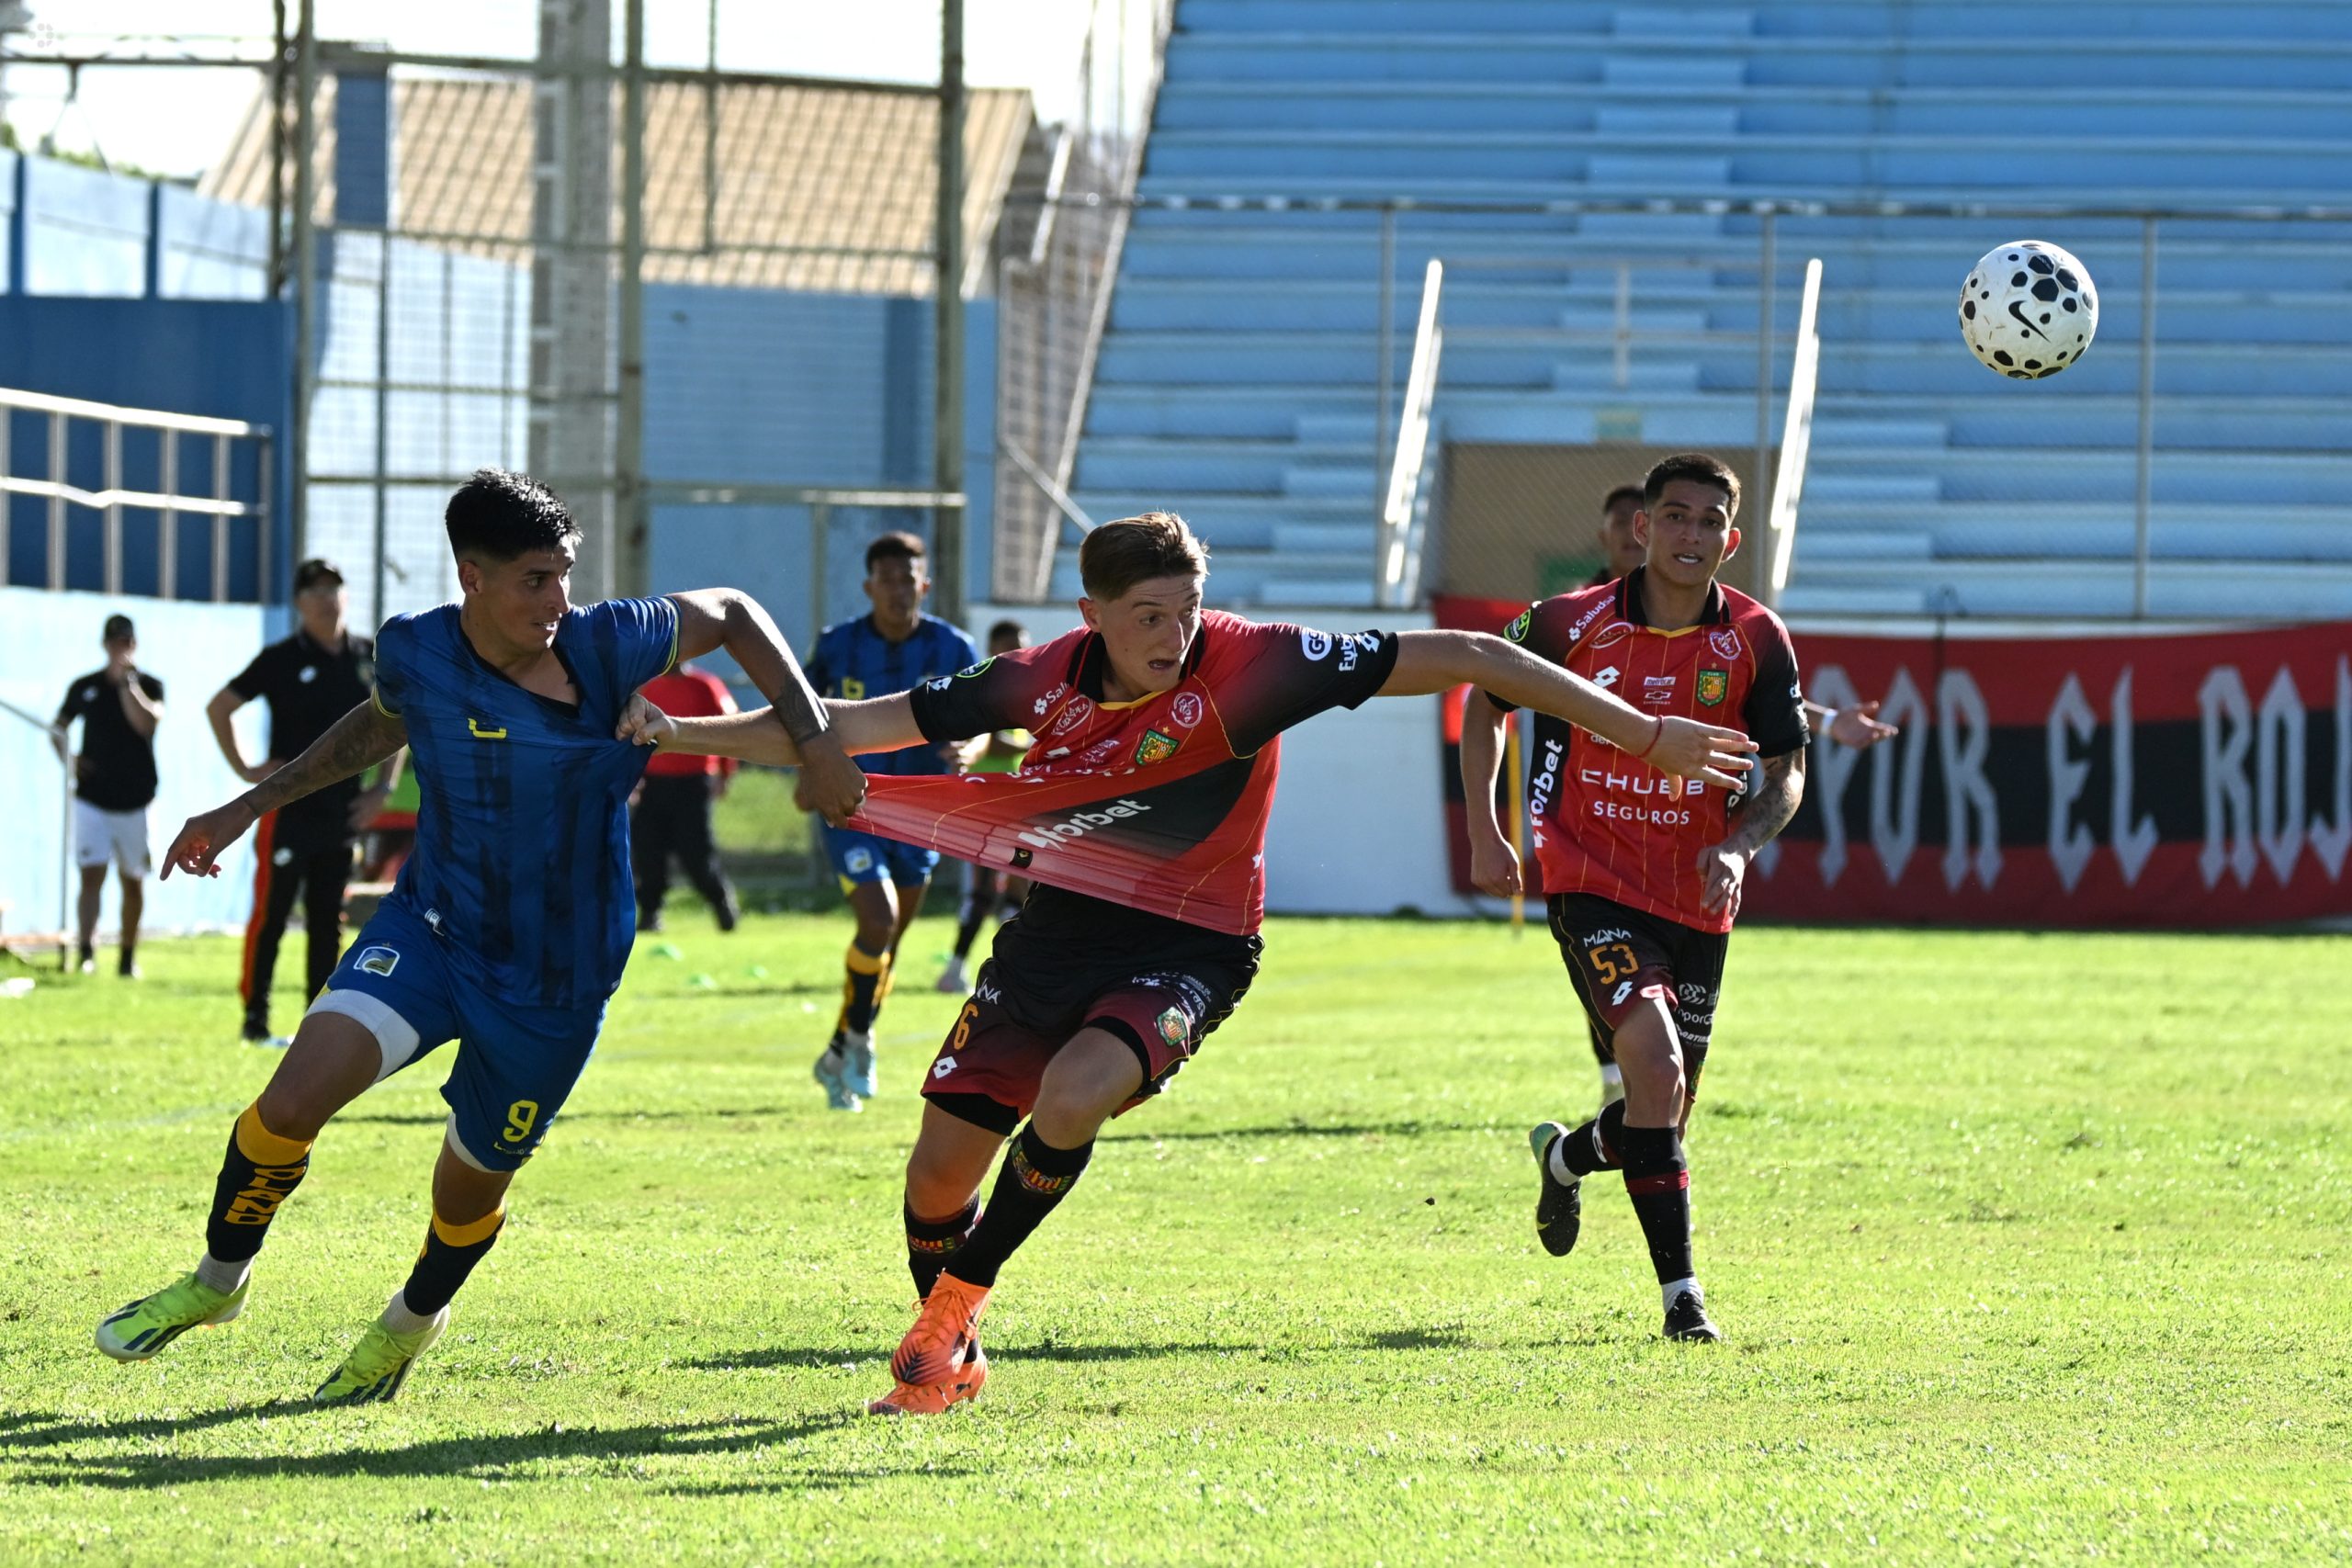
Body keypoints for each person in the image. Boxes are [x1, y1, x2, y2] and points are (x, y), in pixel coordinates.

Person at [618, 509, 1757, 1415]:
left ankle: (949, 1312)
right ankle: (952, 1352)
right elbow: (849, 726)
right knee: (933, 1181)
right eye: (1148, 616)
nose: (1174, 635)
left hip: (1195, 944)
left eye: (1188, 609)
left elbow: (1469, 654)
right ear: (1091, 616)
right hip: (1055, 936)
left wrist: (1646, 732)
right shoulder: (1036, 677)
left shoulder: (1258, 664)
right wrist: (678, 731)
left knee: (1075, 1095)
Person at [91, 468, 866, 1404]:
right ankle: (218, 1282)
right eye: (535, 579)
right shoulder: (415, 649)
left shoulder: (608, 642)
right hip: (431, 930)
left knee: (465, 1190)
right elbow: (380, 726)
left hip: (556, 977)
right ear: (472, 575)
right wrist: (246, 805)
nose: (558, 599)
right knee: (287, 1103)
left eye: (565, 573)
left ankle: (408, 1324)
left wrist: (816, 737)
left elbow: (736, 611)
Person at [1460, 452, 1809, 1344]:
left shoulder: (1756, 637)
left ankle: (1565, 1157)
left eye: (1709, 521)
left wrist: (1738, 846)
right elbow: (1484, 700)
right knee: (1651, 1067)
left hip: (1697, 895)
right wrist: (1485, 831)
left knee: (1662, 1110)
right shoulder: (1567, 621)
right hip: (1591, 879)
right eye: (1675, 516)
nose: (1691, 535)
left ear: (1732, 539)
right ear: (1642, 527)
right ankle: (1682, 1300)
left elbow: (1787, 771)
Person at [1549, 484, 1894, 1109]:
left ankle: (1579, 1147)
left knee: (1670, 1105)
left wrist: (1824, 722)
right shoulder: (1579, 614)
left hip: (1687, 861)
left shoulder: (1739, 629)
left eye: (1705, 523)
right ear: (1625, 534)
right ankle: (1613, 1077)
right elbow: (1505, 680)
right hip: (1596, 848)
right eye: (1627, 528)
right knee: (1628, 1006)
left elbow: (1759, 706)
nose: (1677, 536)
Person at [801, 532, 980, 1112]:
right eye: (888, 580)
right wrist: (809, 768)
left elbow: (983, 721)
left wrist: (969, 750)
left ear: (925, 584)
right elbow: (798, 712)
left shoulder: (953, 647)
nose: (899, 590)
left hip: (924, 811)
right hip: (852, 804)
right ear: (868, 586)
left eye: (909, 579)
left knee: (888, 944)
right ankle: (860, 1041)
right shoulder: (838, 646)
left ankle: (839, 1049)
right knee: (877, 920)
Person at [207, 559, 402, 1047]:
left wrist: (382, 790)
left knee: (327, 920)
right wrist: (246, 769)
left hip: (342, 811)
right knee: (271, 915)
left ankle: (318, 1021)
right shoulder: (282, 658)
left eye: (334, 588)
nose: (326, 599)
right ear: (298, 602)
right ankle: (255, 1018)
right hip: (288, 809)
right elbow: (220, 706)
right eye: (315, 591)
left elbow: (399, 721)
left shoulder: (367, 657)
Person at [54, 615, 165, 977]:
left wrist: (127, 685)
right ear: (105, 645)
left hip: (135, 800)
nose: (121, 649)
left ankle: (127, 957)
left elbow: (146, 724)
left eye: (127, 642)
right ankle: (86, 952)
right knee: (91, 875)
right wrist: (70, 760)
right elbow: (58, 728)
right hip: (92, 798)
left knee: (133, 880)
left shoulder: (149, 685)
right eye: (116, 642)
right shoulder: (85, 686)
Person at [934, 619, 1034, 996]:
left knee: (1021, 891)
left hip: (1016, 803)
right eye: (1009, 646)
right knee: (985, 891)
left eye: (1021, 646)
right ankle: (954, 968)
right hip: (984, 805)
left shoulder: (1027, 690)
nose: (1017, 654)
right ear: (992, 649)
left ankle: (1012, 970)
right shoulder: (984, 689)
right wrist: (1032, 747)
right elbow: (992, 742)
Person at [630, 659, 741, 933]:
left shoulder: (705, 685)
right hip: (654, 783)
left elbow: (729, 727)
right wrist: (631, 778)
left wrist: (725, 773)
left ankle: (720, 901)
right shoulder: (648, 688)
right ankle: (650, 913)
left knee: (695, 852)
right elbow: (631, 734)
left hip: (692, 783)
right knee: (648, 850)